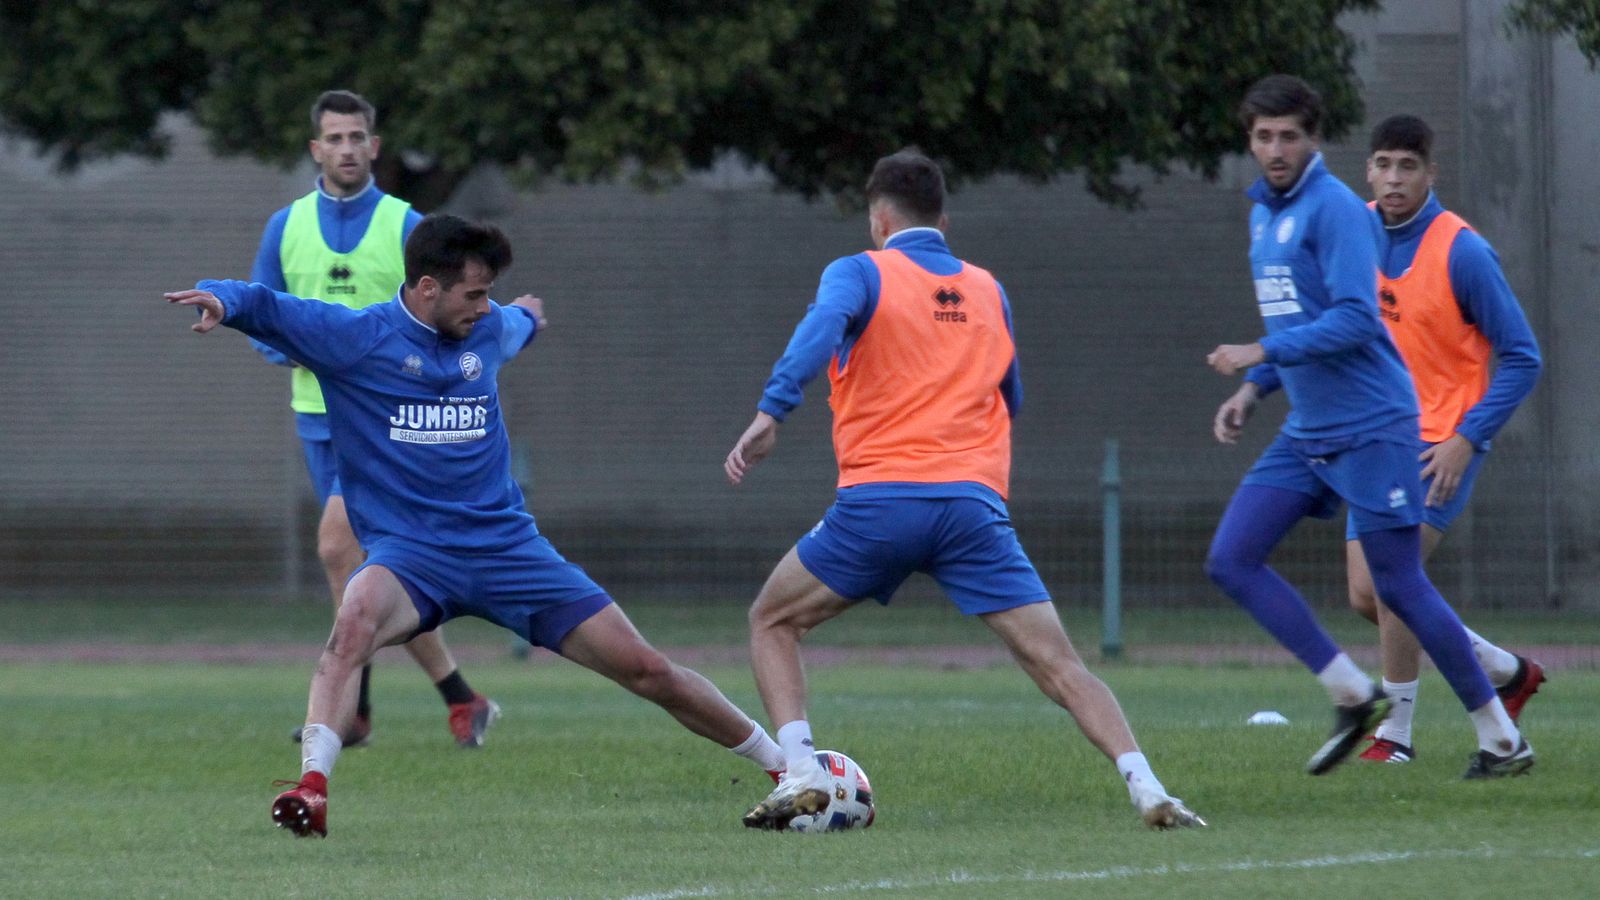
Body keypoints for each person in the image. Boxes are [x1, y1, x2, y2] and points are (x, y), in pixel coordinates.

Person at [167, 214, 785, 838]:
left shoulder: (489, 326)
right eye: (475, 293)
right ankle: (312, 789)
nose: (486, 308)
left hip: (506, 550)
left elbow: (520, 323)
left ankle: (787, 769)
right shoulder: (352, 336)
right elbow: (268, 305)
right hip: (409, 556)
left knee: (646, 669)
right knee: (350, 627)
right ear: (428, 288)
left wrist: (529, 314)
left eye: (491, 295)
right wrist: (223, 298)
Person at [724, 148, 1204, 831]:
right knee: (1059, 665)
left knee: (772, 620)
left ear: (879, 217)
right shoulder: (987, 288)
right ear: (942, 218)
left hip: (881, 502)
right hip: (974, 508)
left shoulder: (861, 270)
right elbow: (1013, 394)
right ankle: (1147, 786)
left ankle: (801, 770)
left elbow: (818, 333)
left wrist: (771, 413)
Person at [1205, 75, 1532, 779]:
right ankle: (1353, 693)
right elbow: (1299, 317)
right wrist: (1257, 389)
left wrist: (1259, 353)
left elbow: (1354, 318)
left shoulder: (1339, 214)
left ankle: (1497, 736)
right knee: (1232, 557)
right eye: (1263, 137)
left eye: (1289, 135)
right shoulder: (1265, 212)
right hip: (1310, 427)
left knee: (1396, 584)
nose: (1276, 149)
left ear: (1315, 139)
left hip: (1381, 425)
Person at [250, 89, 496, 749]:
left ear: (375, 147)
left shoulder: (405, 226)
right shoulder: (286, 226)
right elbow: (267, 313)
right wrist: (289, 347)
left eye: (357, 137)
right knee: (367, 567)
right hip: (316, 420)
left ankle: (349, 711)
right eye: (334, 139)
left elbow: (443, 315)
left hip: (388, 422)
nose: (347, 149)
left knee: (338, 546)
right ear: (316, 149)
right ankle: (458, 697)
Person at [1340, 114, 1546, 763]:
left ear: (1432, 174)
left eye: (1408, 166)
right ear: (1368, 170)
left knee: (1395, 582)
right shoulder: (1352, 231)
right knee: (1365, 595)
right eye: (1383, 165)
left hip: (1438, 445)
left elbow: (1522, 356)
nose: (1394, 178)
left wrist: (1467, 437)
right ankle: (1503, 671)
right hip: (1374, 438)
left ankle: (1395, 735)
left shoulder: (1462, 249)